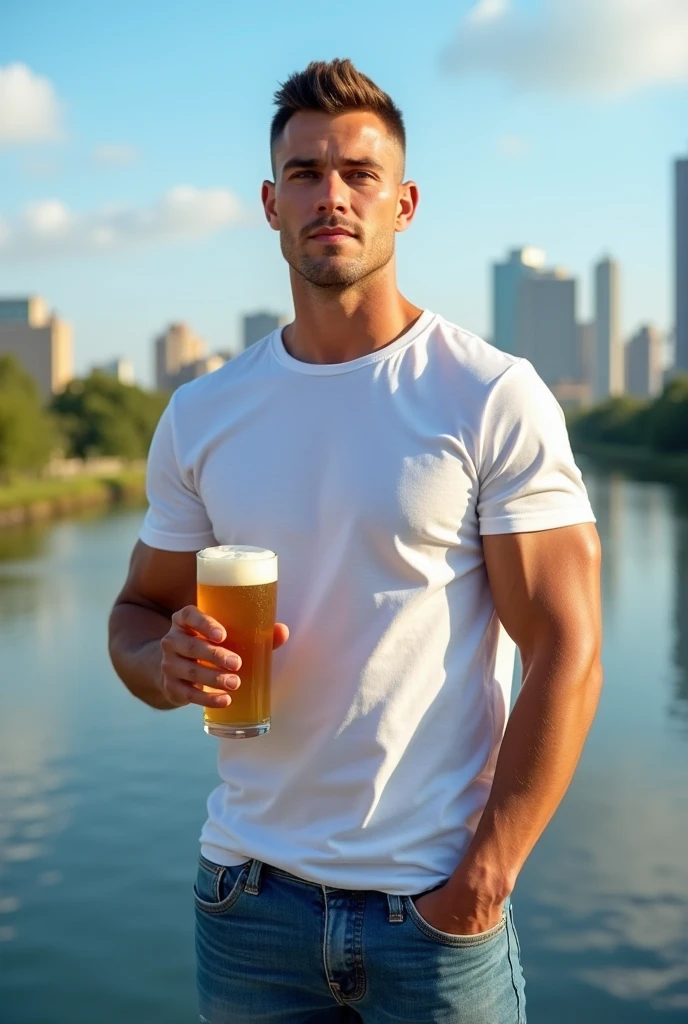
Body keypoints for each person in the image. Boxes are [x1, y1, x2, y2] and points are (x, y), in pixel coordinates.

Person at [108, 58, 602, 1024]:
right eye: (304, 173)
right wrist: (161, 666)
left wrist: (485, 881)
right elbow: (136, 613)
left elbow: (567, 650)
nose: (331, 195)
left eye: (358, 173)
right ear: (269, 201)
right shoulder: (203, 413)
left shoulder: (489, 393)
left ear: (404, 202)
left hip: (434, 922)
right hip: (247, 903)